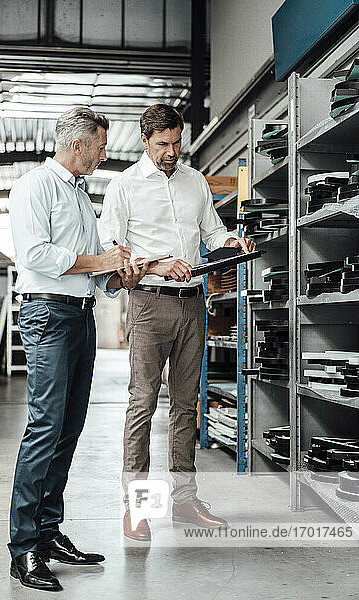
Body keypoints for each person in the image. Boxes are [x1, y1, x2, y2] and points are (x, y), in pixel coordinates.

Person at [98, 103, 255, 542]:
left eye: (176, 142)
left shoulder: (195, 182)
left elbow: (211, 231)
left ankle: (185, 501)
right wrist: (158, 264)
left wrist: (231, 241)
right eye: (163, 144)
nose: (171, 151)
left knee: (186, 405)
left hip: (193, 304)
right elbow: (113, 249)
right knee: (143, 404)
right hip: (148, 302)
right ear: (145, 141)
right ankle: (137, 508)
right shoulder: (124, 186)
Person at [8, 107, 147, 591]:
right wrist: (101, 259)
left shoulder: (80, 194)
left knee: (69, 427)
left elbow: (91, 270)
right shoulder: (35, 186)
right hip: (47, 315)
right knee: (45, 426)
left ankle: (48, 533)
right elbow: (36, 255)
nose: (104, 154)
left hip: (79, 315)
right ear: (78, 144)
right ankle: (23, 549)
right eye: (101, 145)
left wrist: (116, 276)